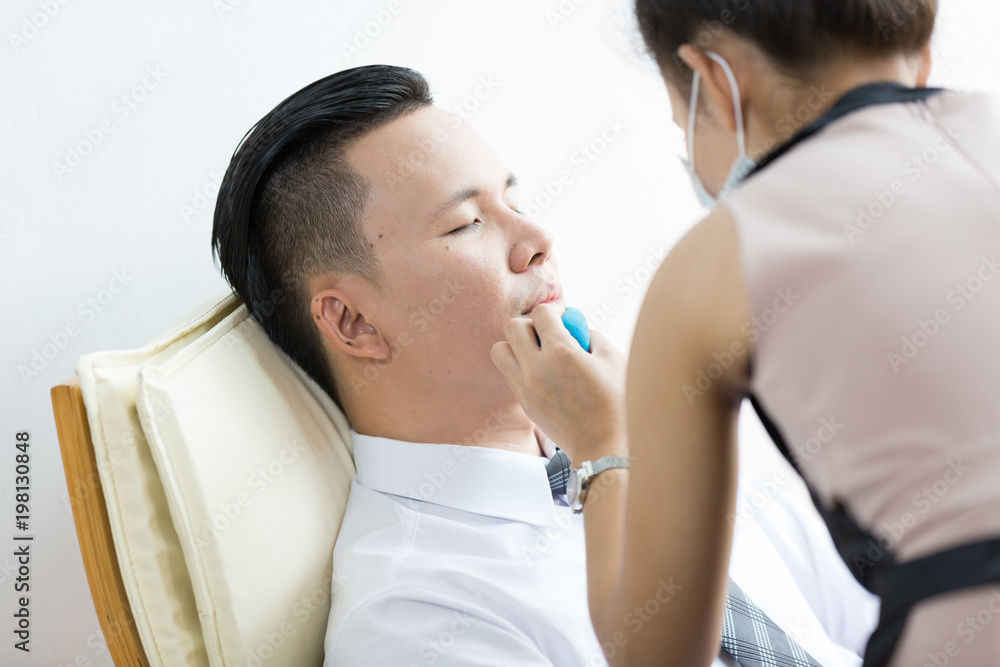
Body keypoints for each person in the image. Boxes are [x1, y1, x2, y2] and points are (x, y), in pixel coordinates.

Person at [211, 65, 878, 666]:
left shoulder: (648, 437)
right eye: (467, 222)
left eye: (516, 202)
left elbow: (872, 612)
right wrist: (607, 459)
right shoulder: (413, 617)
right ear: (353, 322)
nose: (538, 241)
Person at [492, 1, 1000, 665]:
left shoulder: (712, 265)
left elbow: (660, 654)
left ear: (718, 80)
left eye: (682, 122)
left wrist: (601, 446)